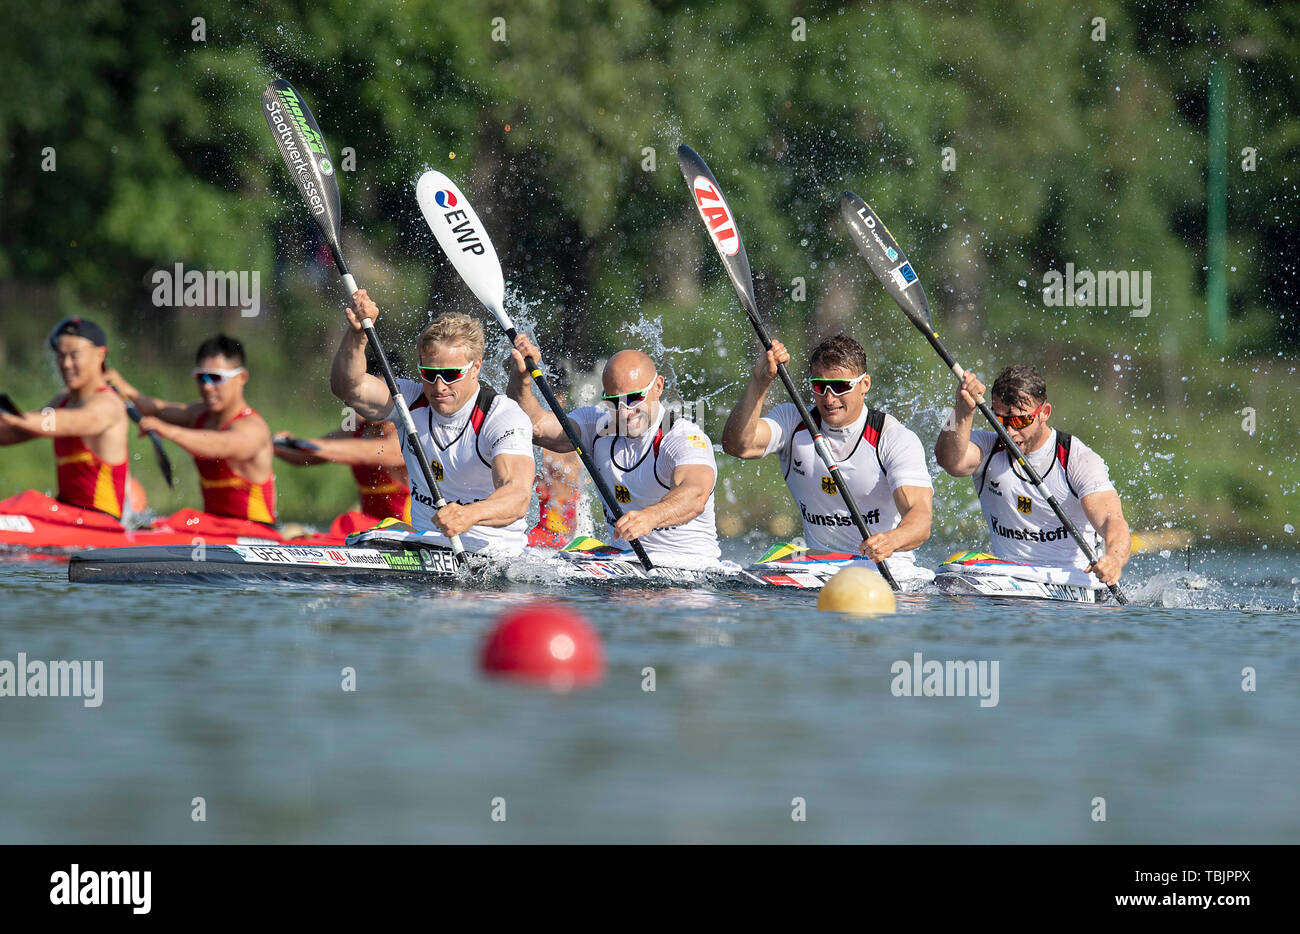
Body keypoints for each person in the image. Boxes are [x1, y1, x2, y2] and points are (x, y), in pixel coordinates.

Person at [330, 290, 534, 555]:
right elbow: (348, 387)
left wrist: (468, 515)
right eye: (429, 373)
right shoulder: (409, 400)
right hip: (425, 546)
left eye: (450, 374)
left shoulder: (501, 416)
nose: (439, 386)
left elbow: (517, 496)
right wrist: (357, 335)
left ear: (476, 367)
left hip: (494, 557)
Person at [721, 335, 934, 584]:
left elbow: (920, 519)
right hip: (819, 568)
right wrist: (760, 381)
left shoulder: (893, 438)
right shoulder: (793, 421)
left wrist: (891, 540)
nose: (829, 398)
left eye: (840, 386)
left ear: (865, 384)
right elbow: (738, 445)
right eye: (820, 386)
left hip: (882, 571)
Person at [506, 334, 721, 564]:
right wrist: (522, 377)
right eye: (614, 402)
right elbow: (536, 426)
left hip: (688, 564)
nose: (626, 412)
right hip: (625, 561)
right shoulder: (596, 426)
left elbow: (696, 493)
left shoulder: (681, 436)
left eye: (634, 398)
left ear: (658, 386)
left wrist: (650, 517)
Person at [933, 364, 1130, 585]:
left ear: (1044, 413)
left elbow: (1111, 520)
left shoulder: (1076, 458)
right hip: (1010, 578)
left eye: (1019, 420)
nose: (1009, 431)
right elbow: (949, 461)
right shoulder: (988, 447)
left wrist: (1113, 559)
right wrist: (960, 410)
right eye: (999, 420)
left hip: (1068, 582)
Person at [107, 334, 280, 537]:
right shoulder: (198, 414)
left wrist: (169, 430)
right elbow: (155, 409)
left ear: (241, 377)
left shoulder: (253, 428)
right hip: (214, 531)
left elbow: (220, 446)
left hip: (254, 534)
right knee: (160, 523)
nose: (207, 386)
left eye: (216, 378)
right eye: (201, 377)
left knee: (183, 520)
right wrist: (119, 385)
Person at [0, 317, 137, 525]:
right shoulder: (62, 400)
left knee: (26, 503)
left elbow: (69, 422)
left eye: (74, 355)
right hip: (67, 516)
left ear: (100, 355)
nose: (65, 364)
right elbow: (15, 432)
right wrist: (14, 422)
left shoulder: (109, 404)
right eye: (61, 356)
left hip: (101, 524)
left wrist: (19, 419)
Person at [273, 416, 411, 537]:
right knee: (293, 533)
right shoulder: (358, 428)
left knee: (350, 522)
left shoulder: (404, 434)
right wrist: (270, 444)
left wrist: (299, 445)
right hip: (372, 531)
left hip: (407, 532)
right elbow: (306, 456)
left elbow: (364, 452)